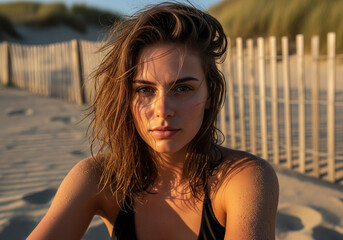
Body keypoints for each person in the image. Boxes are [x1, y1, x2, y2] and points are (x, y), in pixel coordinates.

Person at [28, 2, 279, 239]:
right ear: (126, 96)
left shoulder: (242, 178)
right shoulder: (98, 178)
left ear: (210, 94)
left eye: (182, 89)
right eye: (145, 90)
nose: (163, 110)